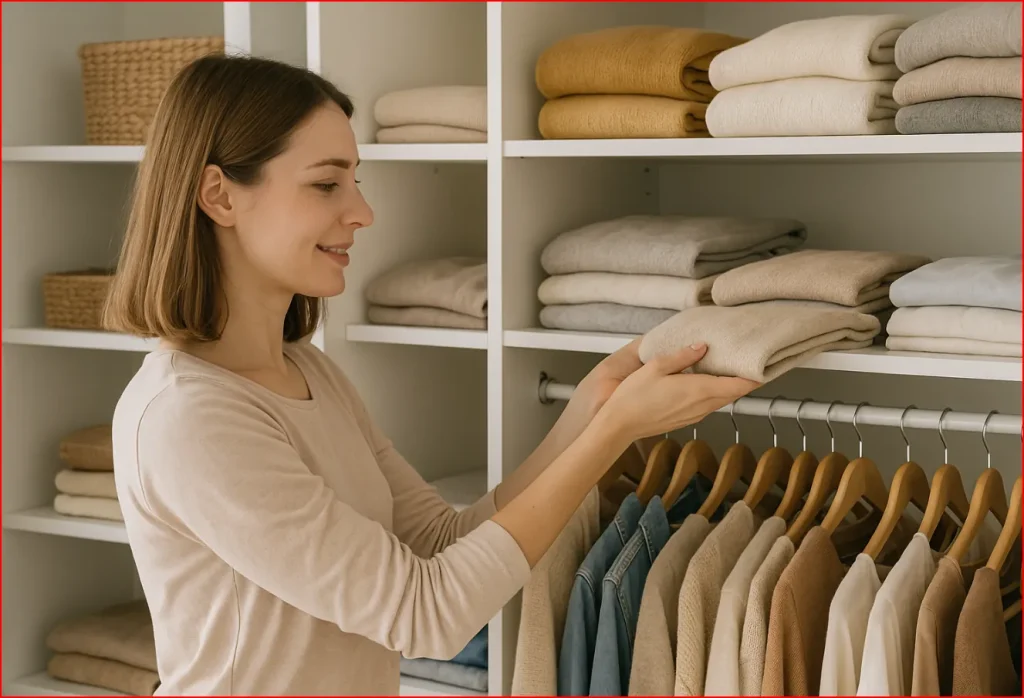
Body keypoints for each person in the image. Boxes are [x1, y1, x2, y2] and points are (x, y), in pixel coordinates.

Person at [104, 54, 759, 695]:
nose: (362, 211)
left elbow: (439, 541)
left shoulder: (308, 371)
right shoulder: (189, 416)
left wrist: (586, 412)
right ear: (219, 195)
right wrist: (611, 435)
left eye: (356, 181)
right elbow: (426, 614)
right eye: (327, 183)